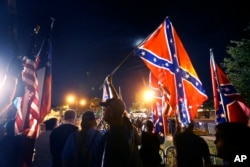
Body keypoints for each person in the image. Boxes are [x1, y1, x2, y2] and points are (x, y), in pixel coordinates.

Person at [99, 75, 141, 167]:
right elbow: (118, 103)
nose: (103, 111)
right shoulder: (127, 126)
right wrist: (110, 84)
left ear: (111, 112)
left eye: (105, 109)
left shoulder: (112, 137)